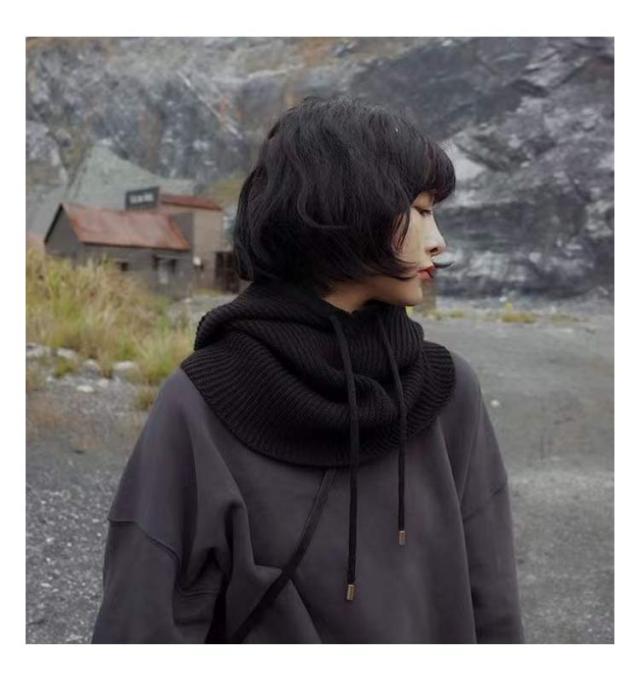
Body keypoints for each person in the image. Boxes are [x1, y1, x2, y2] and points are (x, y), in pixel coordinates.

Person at [91, 95, 525, 644]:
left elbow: (493, 604)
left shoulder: (448, 391)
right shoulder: (205, 399)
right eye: (419, 212)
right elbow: (143, 620)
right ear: (344, 210)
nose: (438, 242)